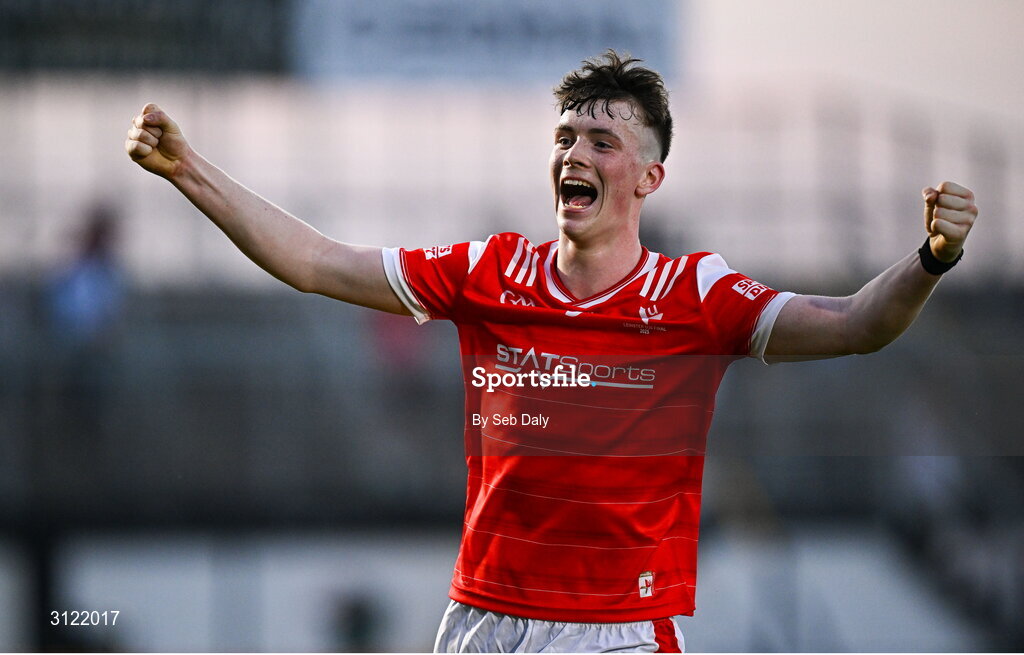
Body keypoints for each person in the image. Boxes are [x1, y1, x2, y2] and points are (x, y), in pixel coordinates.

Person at [125, 51, 978, 653]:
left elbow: (860, 322)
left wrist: (930, 258)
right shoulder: (490, 272)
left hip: (618, 629)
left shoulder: (696, 297)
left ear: (648, 178)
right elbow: (316, 262)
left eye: (603, 141)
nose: (576, 152)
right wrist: (189, 169)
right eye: (567, 136)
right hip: (480, 620)